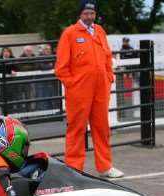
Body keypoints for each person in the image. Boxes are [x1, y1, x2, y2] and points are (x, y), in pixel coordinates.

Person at [55, 0, 124, 178]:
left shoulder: (100, 31)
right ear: (80, 14)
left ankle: (105, 166)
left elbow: (107, 56)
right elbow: (61, 68)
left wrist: (109, 77)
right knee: (76, 129)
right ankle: (73, 168)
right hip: (79, 92)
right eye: (86, 13)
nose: (89, 16)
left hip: (101, 89)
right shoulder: (69, 33)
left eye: (92, 13)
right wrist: (73, 85)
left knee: (102, 128)